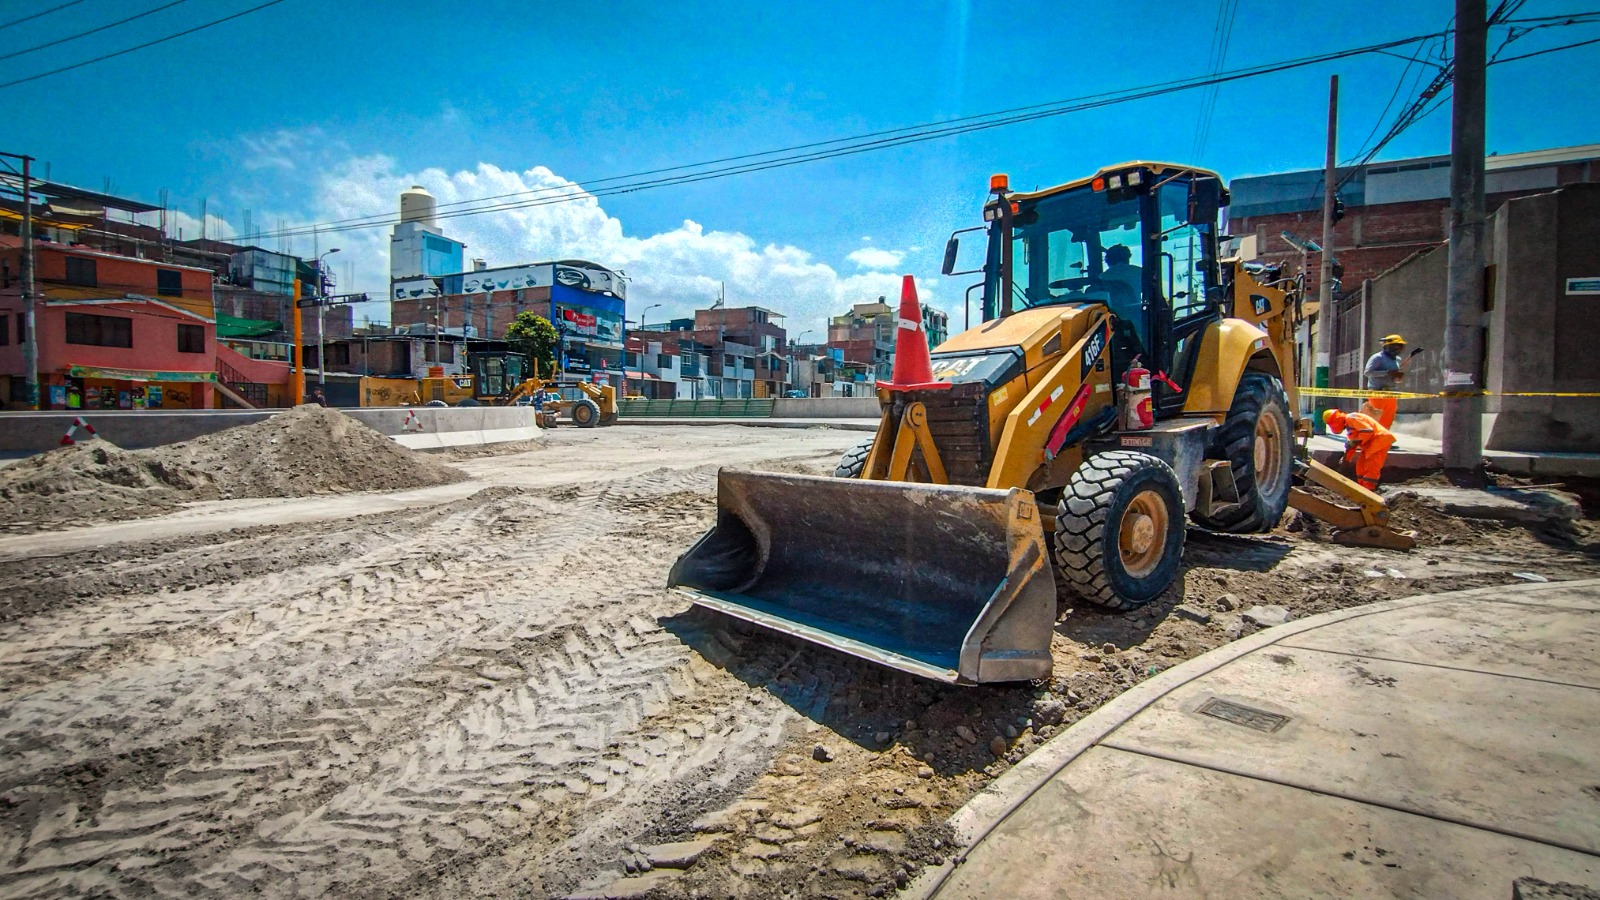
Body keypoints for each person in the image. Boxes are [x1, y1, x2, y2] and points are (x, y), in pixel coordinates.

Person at [1324, 408, 1395, 491]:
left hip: (1380, 440)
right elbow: (1352, 446)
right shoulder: (1350, 427)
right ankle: (1362, 488)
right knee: (1360, 465)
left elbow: (1368, 430)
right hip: (1371, 444)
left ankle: (1369, 490)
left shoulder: (1351, 418)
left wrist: (1354, 441)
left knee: (1371, 466)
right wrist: (1345, 460)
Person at [1361, 334, 1407, 428]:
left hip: (1390, 392)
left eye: (1400, 346)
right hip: (1377, 392)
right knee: (1376, 419)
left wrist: (1397, 378)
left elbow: (1394, 376)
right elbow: (1367, 372)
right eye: (1395, 346)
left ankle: (1383, 438)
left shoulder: (1397, 360)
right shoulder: (1377, 358)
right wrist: (1386, 373)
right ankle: (1372, 438)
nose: (1397, 349)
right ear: (1387, 346)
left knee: (1388, 418)